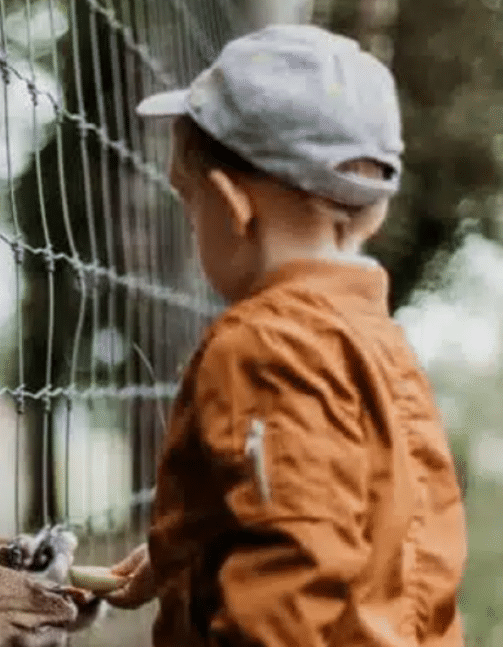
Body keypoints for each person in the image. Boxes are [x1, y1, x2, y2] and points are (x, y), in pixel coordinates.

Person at [99, 24, 467, 647]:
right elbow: (382, 536)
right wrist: (177, 551)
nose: (192, 227)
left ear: (230, 204)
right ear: (372, 211)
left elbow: (290, 572)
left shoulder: (263, 347)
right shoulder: (380, 344)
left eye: (189, 204)